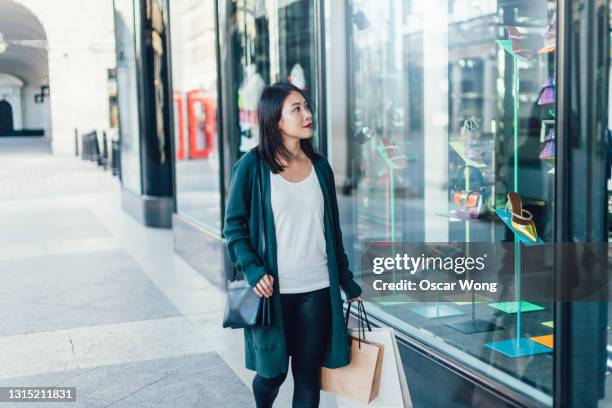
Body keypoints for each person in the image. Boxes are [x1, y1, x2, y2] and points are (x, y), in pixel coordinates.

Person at [223, 82, 362, 408]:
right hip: (271, 294)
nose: (307, 114)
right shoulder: (252, 167)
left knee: (308, 375)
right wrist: (255, 270)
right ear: (277, 120)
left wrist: (345, 279)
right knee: (272, 374)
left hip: (316, 289)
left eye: (306, 106)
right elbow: (233, 227)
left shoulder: (321, 168)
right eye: (296, 108)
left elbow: (332, 232)